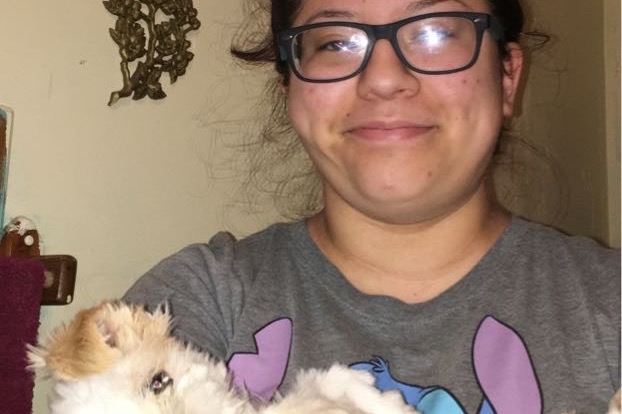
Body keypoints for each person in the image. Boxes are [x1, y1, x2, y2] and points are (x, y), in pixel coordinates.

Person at [123, 0, 621, 413]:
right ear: (289, 89)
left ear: (507, 77)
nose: (383, 79)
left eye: (435, 32)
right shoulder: (188, 308)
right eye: (335, 43)